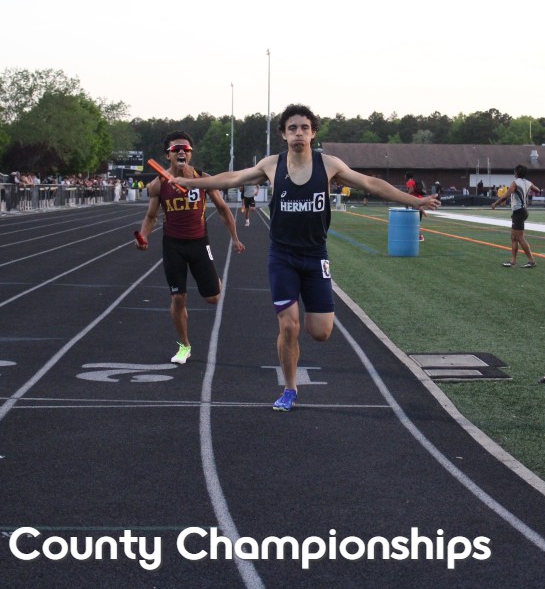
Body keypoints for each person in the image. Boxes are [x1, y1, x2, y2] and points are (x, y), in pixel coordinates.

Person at [173, 104, 441, 412]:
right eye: (292, 128)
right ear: (283, 135)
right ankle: (289, 388)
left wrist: (415, 201)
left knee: (321, 332)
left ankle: (302, 351)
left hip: (315, 257)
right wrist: (191, 183)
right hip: (282, 257)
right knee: (289, 326)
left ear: (313, 133)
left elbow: (371, 184)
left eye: (304, 128)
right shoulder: (272, 165)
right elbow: (231, 178)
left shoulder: (328, 165)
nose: (298, 133)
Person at [136, 131, 245, 365]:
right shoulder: (158, 185)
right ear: (168, 155)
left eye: (185, 149)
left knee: (213, 298)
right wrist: (143, 236)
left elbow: (223, 209)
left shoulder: (203, 179)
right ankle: (184, 345)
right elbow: (151, 216)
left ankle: (214, 280)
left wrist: (235, 238)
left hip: (199, 242)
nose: (181, 152)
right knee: (178, 298)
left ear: (191, 154)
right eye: (176, 149)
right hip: (173, 245)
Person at [491, 164, 541, 268]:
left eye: (514, 171)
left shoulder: (515, 183)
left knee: (519, 237)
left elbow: (506, 195)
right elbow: (537, 190)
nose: (514, 173)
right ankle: (513, 261)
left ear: (517, 173)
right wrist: (530, 191)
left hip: (518, 211)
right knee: (514, 237)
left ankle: (532, 261)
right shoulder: (528, 182)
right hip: (523, 211)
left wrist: (495, 203)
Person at [405, 171, 428, 241]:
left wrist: (406, 197)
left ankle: (420, 236)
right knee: (416, 221)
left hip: (416, 202)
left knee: (414, 221)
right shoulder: (414, 182)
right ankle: (416, 235)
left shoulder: (409, 182)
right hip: (420, 200)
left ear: (407, 176)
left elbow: (411, 189)